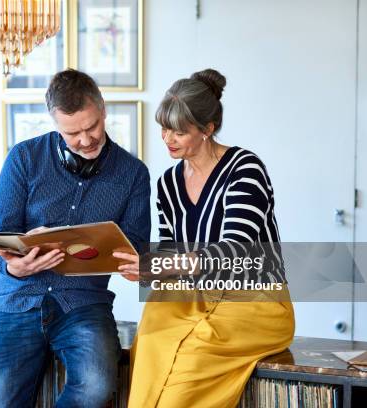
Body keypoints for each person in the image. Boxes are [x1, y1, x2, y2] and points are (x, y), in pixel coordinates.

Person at [113, 69, 295, 408]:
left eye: (179, 131)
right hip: (191, 296)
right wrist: (148, 269)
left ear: (207, 129)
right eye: (164, 128)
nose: (168, 138)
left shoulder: (245, 169)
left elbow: (233, 252)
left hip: (253, 302)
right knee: (151, 334)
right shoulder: (168, 183)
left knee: (188, 361)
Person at [0, 69, 151, 408]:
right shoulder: (23, 158)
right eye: (72, 133)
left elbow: (134, 247)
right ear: (55, 123)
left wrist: (134, 263)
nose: (85, 139)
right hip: (18, 300)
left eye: (91, 127)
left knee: (97, 388)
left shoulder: (134, 174)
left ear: (103, 109)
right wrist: (15, 268)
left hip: (84, 304)